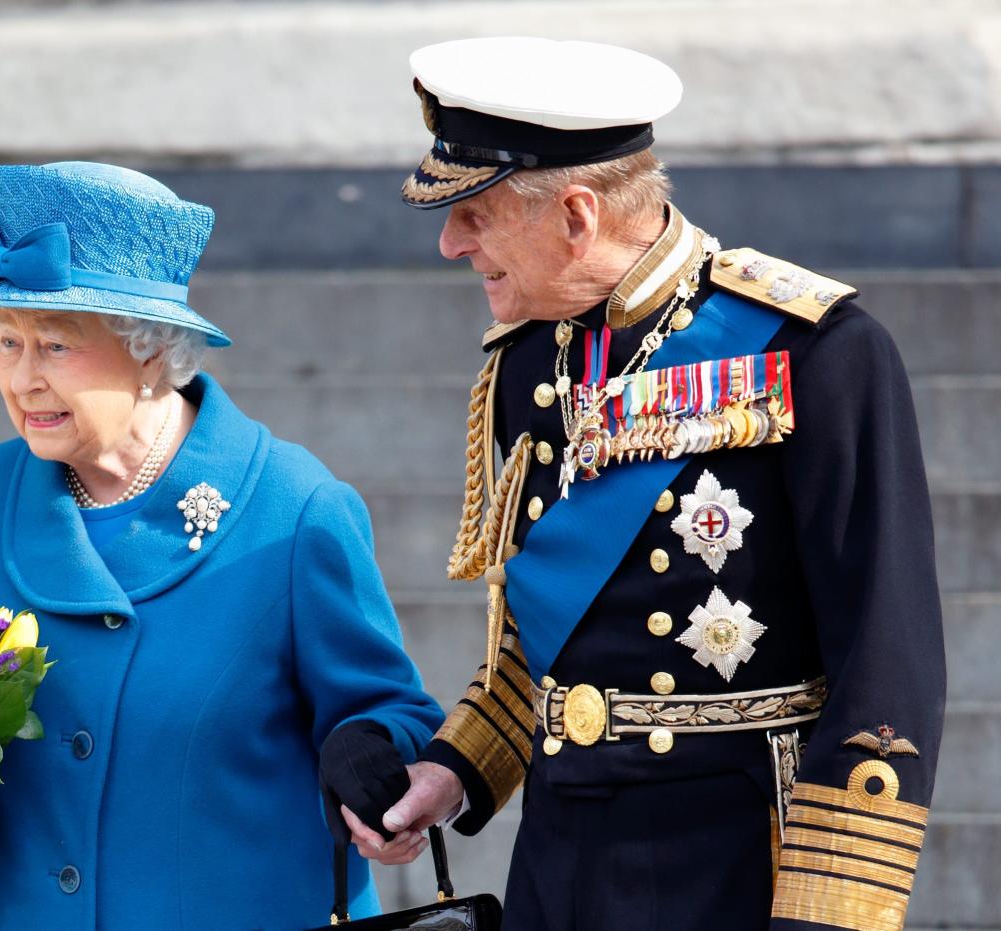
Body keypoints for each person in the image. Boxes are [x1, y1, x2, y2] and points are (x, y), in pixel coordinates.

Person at [342, 37, 945, 930]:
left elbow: (886, 663)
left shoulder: (815, 352)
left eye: (474, 212)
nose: (449, 243)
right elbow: (553, 637)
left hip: (738, 862)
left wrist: (831, 913)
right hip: (562, 860)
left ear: (577, 214)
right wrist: (454, 767)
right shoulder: (529, 364)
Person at [0, 161, 443, 930]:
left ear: (149, 350)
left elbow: (389, 707)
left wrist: (367, 746)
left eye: (55, 344)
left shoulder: (293, 508)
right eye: (7, 342)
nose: (22, 378)